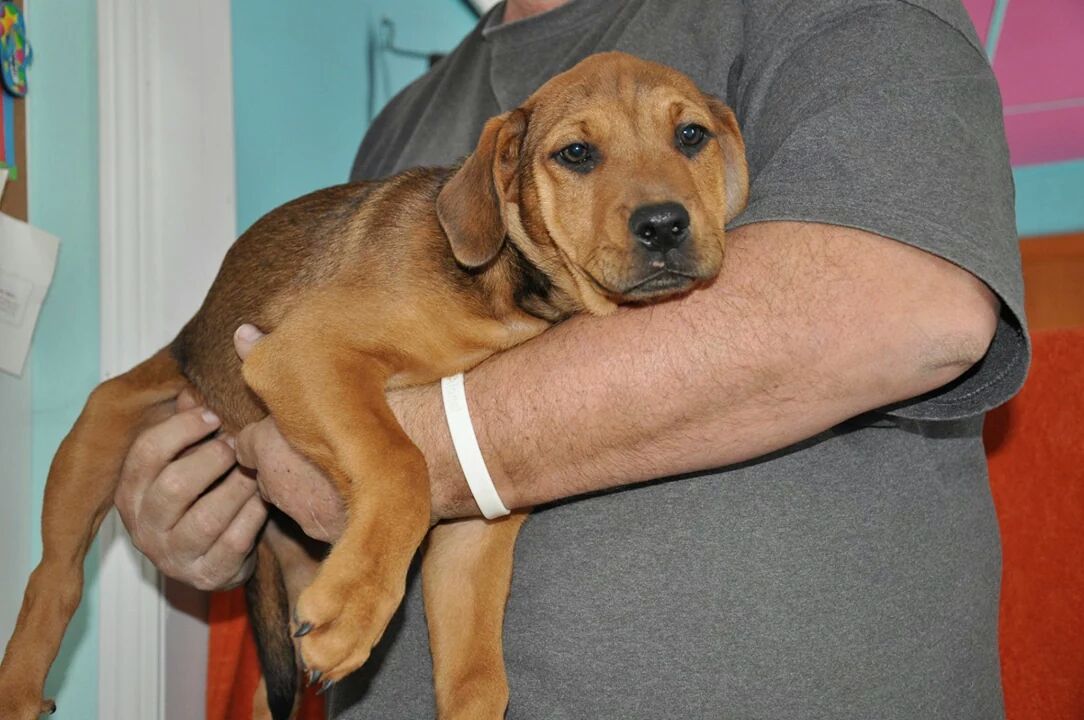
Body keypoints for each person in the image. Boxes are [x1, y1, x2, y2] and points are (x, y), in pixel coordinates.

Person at [114, 0, 1028, 717]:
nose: (655, 197)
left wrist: (436, 457)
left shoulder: (809, 10)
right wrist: (231, 522)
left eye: (689, 140)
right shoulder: (405, 125)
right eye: (579, 155)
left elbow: (916, 305)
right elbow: (334, 480)